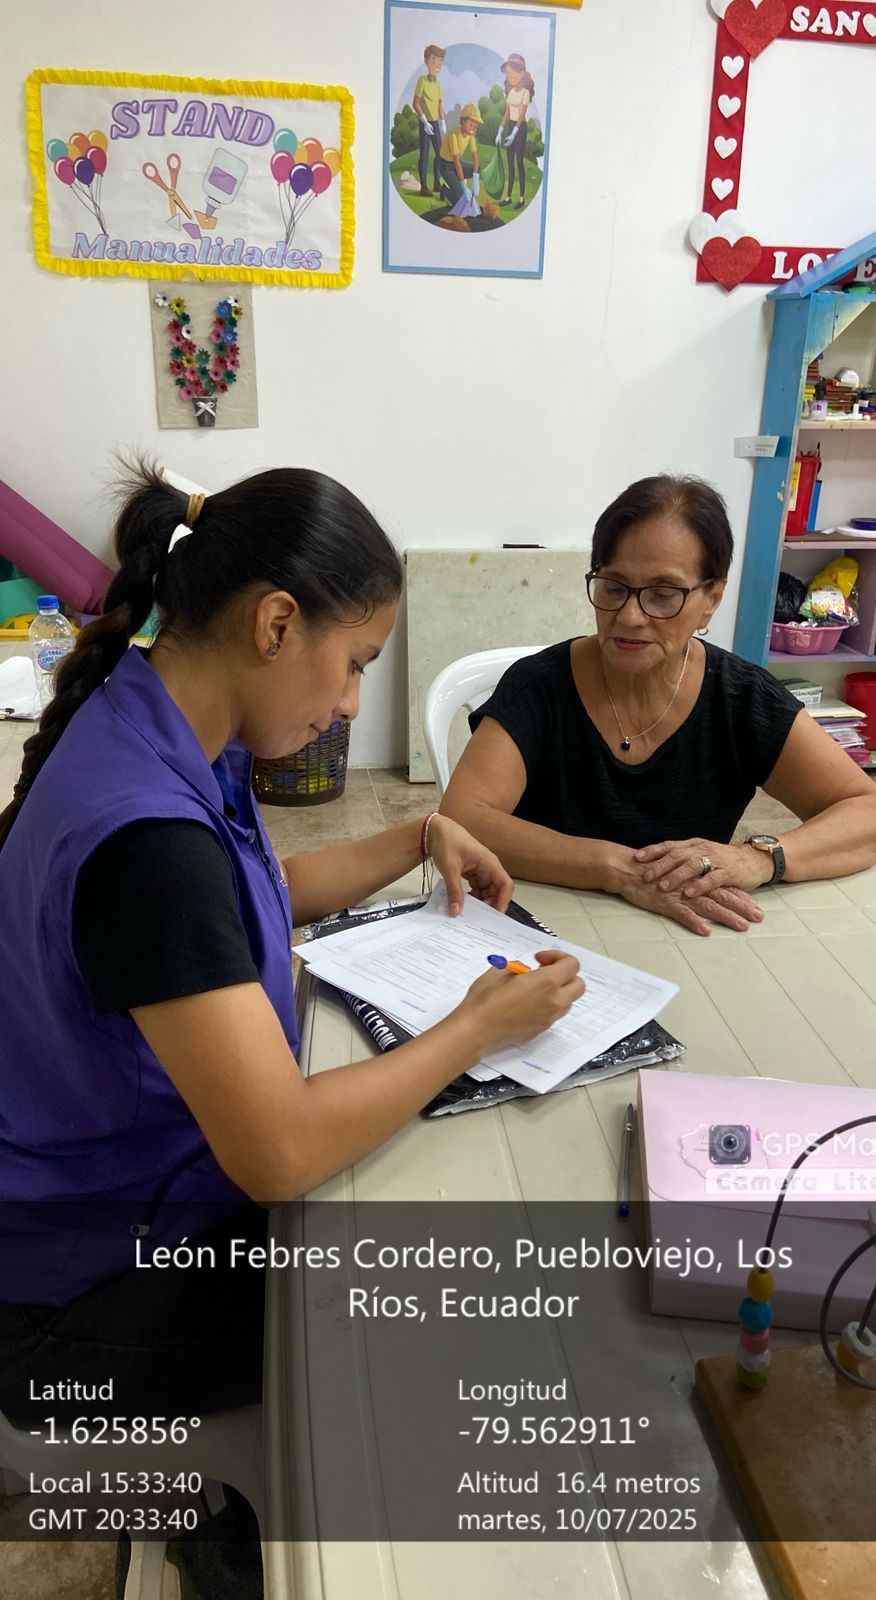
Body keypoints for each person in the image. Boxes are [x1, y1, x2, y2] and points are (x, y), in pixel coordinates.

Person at [0, 463, 584, 1435]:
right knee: (451, 1309)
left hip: (112, 1211)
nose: (353, 703)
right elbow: (279, 1152)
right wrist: (476, 1028)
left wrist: (416, 835)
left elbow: (254, 896)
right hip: (77, 1305)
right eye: (355, 662)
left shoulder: (154, 725)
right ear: (275, 624)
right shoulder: (149, 844)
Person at [441, 475, 876, 937]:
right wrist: (618, 868)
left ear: (711, 600)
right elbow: (462, 818)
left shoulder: (740, 699)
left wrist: (757, 857)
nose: (629, 616)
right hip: (541, 926)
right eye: (613, 586)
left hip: (687, 935)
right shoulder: (539, 687)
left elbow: (870, 817)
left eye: (663, 595)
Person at [495, 53, 534, 209]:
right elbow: (507, 114)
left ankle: (522, 198)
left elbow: (521, 115)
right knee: (510, 163)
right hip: (510, 126)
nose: (510, 77)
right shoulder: (510, 93)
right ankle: (508, 196)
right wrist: (500, 131)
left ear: (522, 73)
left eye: (513, 73)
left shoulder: (525, 93)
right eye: (508, 74)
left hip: (520, 129)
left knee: (519, 163)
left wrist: (514, 133)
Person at [412, 42, 446, 198]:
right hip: (424, 123)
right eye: (434, 61)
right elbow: (415, 103)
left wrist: (443, 121)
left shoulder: (438, 83)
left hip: (435, 122)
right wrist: (424, 122)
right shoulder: (422, 80)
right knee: (424, 155)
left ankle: (437, 183)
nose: (437, 65)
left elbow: (439, 104)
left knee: (440, 153)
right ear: (427, 61)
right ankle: (423, 186)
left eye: (440, 62)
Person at [438, 102, 483, 209]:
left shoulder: (470, 135)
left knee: (477, 169)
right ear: (463, 121)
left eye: (475, 126)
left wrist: (475, 179)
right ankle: (445, 190)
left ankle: (456, 182)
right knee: (460, 199)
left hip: (455, 164)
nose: (473, 129)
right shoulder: (453, 135)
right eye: (471, 125)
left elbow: (475, 156)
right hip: (445, 165)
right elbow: (457, 160)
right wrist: (463, 186)